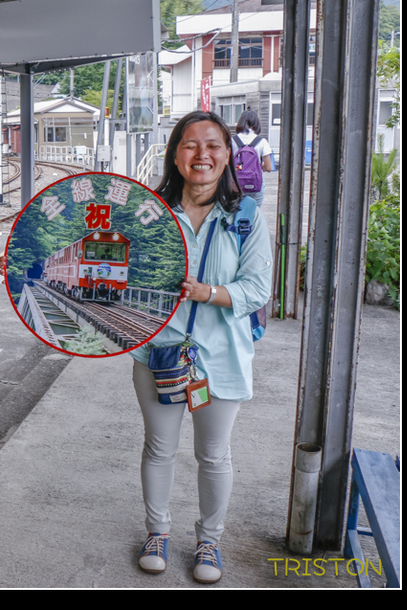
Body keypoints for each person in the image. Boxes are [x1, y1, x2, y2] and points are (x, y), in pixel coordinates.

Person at [129, 111, 272, 583]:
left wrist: (207, 292)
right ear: (175, 154)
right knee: (159, 448)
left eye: (213, 145)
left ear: (228, 154)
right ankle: (158, 532)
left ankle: (209, 542)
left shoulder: (246, 217)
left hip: (221, 356)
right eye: (191, 145)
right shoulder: (149, 213)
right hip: (160, 353)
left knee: (213, 455)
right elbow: (121, 274)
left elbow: (258, 288)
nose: (202, 155)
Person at [232, 110, 273, 209]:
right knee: (255, 215)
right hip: (255, 185)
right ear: (256, 124)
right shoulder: (262, 141)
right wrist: (255, 167)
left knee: (234, 214)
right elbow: (269, 167)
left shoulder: (231, 140)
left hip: (235, 183)